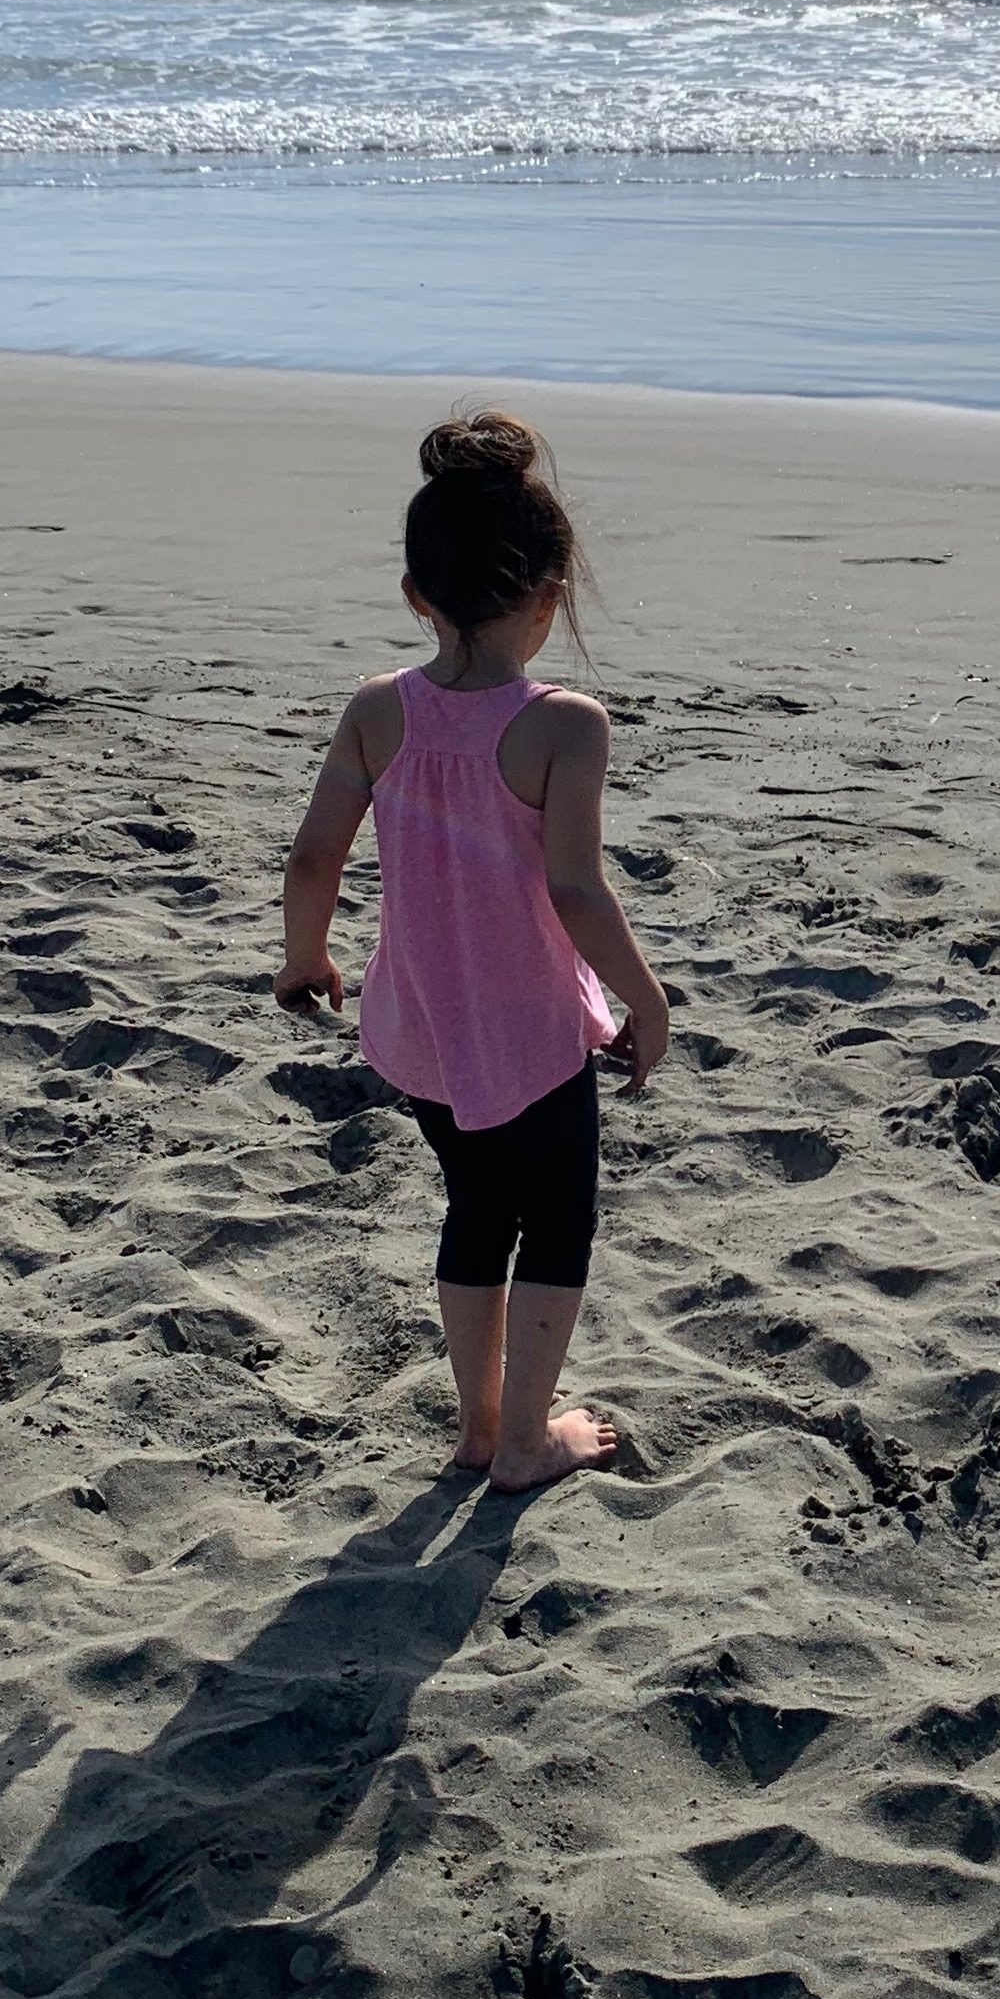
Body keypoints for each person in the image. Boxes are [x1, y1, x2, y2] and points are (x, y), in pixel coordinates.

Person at [275, 411, 669, 1492]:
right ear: (550, 596)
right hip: (533, 1027)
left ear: (418, 594)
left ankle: (481, 1424)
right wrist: (647, 997)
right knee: (560, 1220)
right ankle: (530, 1440)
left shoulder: (376, 710)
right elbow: (578, 890)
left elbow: (314, 857)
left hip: (423, 1025)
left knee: (476, 1210)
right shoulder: (564, 725)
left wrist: (305, 960)